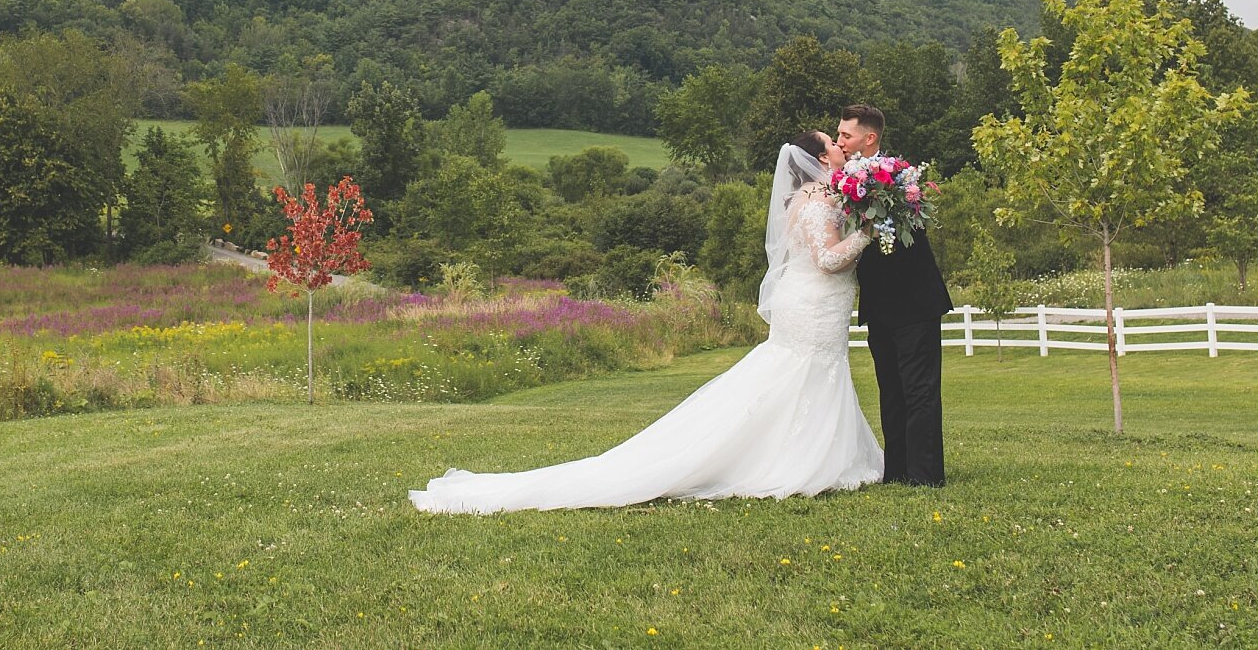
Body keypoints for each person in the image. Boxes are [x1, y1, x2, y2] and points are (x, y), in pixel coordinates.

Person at [408, 132, 882, 513]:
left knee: (797, 377)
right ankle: (795, 462)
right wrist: (866, 232)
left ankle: (807, 454)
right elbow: (826, 258)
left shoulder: (809, 195)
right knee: (801, 373)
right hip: (815, 299)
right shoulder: (820, 198)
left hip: (811, 301)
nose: (843, 147)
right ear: (819, 158)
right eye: (835, 143)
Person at [839, 103, 952, 487]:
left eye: (846, 135)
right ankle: (898, 469)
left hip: (915, 300)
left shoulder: (901, 179)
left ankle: (925, 475)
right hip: (879, 302)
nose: (840, 141)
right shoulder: (843, 183)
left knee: (920, 389)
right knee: (890, 388)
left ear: (869, 139)